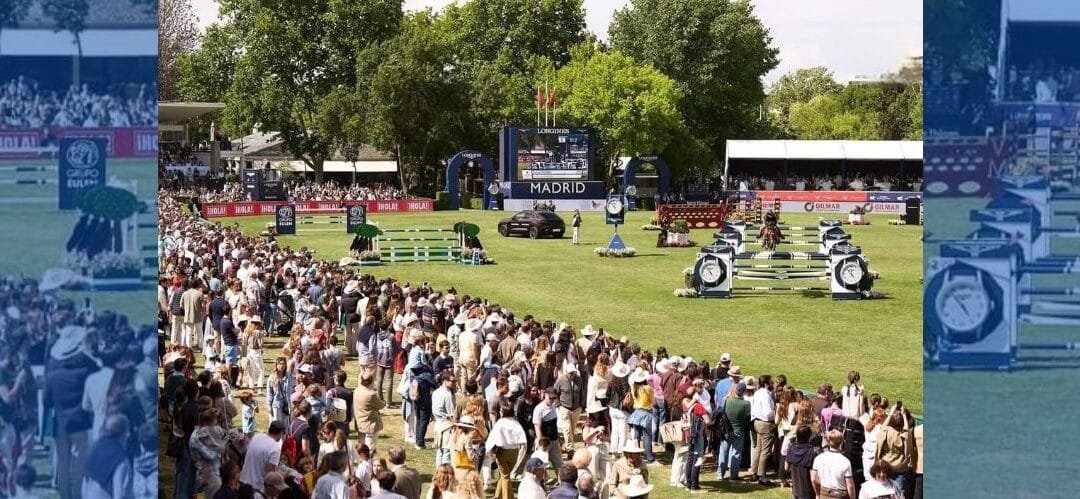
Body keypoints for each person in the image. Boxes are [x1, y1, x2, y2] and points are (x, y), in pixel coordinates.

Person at [81, 415, 133, 499]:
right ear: (125, 434)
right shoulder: (121, 459)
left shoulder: (95, 449)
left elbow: (85, 482)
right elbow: (119, 493)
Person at [485, 401, 527, 499]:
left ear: (502, 413)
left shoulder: (500, 423)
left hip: (502, 452)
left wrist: (488, 452)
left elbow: (492, 439)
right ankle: (497, 496)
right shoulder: (516, 423)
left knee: (505, 477)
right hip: (514, 452)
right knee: (504, 475)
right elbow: (522, 439)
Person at [718, 382, 751, 481]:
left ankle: (720, 474)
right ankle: (733, 475)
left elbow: (721, 413)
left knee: (723, 452)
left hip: (726, 431)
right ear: (744, 392)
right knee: (736, 454)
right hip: (739, 431)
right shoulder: (746, 404)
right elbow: (747, 416)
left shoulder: (726, 401)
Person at [240, 420, 285, 491]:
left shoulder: (256, 437)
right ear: (280, 433)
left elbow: (246, 453)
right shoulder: (275, 449)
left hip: (243, 481)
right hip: (257, 487)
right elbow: (270, 474)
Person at [812, 429, 856, 499]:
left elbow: (814, 479)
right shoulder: (845, 461)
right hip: (840, 495)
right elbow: (850, 485)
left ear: (828, 441)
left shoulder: (818, 458)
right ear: (841, 442)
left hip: (824, 494)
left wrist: (817, 494)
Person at [353, 372, 385, 451]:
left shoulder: (357, 390)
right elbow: (381, 405)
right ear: (371, 381)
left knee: (361, 447)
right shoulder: (371, 394)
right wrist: (383, 401)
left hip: (360, 423)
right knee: (369, 449)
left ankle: (360, 461)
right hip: (370, 424)